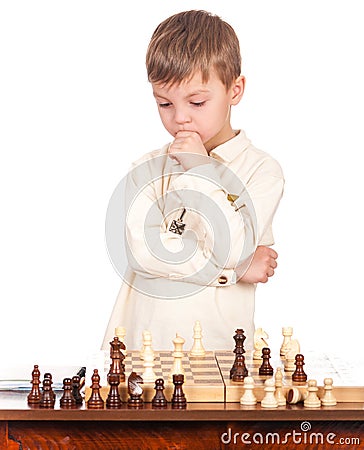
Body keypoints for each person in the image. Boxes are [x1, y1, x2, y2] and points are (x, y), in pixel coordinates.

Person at [102, 10, 284, 351]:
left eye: (197, 101)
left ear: (235, 89)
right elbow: (143, 255)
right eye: (164, 103)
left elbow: (232, 244)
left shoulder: (262, 171)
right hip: (141, 352)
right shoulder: (147, 168)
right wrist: (231, 272)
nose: (180, 117)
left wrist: (200, 169)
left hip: (218, 354)